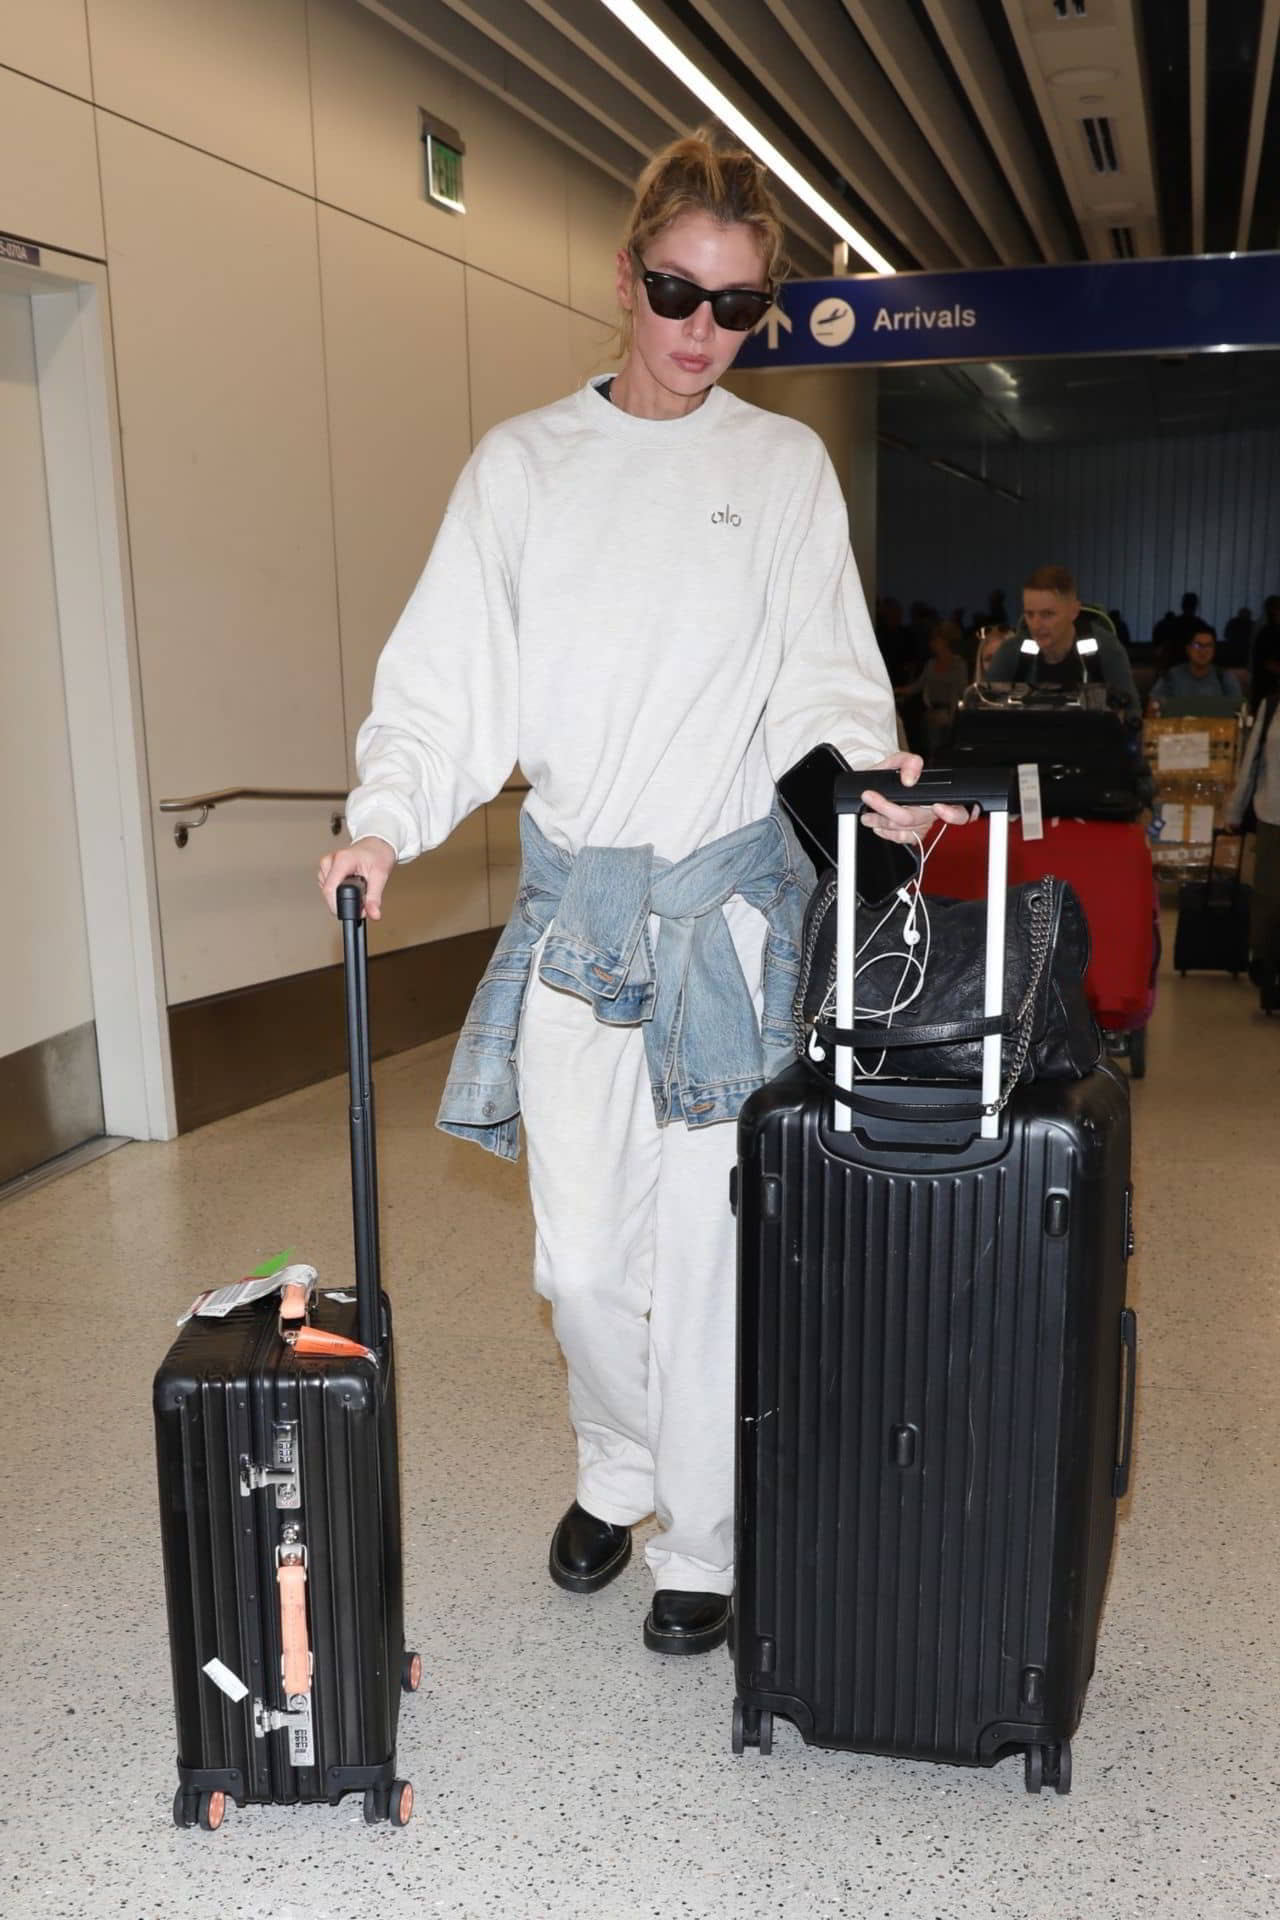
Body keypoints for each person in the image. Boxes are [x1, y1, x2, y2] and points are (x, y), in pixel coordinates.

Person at [316, 131, 967, 1658]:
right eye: (677, 292)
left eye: (737, 309)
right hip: (577, 929)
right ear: (626, 276)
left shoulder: (781, 468)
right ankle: (614, 1468)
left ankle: (700, 1538)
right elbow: (445, 682)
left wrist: (872, 788)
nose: (700, 331)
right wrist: (383, 818)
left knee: (707, 1247)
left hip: (729, 929)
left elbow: (821, 687)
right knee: (583, 1263)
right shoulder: (527, 468)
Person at [985, 564, 1142, 722]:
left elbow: (1132, 717)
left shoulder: (1105, 649)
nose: (1036, 624)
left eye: (1047, 614)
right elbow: (985, 714)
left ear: (1074, 611)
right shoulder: (1011, 653)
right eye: (1029, 614)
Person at [1225, 633, 1280, 998]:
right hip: (1272, 813)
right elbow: (1251, 763)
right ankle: (1265, 967)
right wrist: (1234, 809)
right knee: (1269, 899)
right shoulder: (1272, 705)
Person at [895, 619, 968, 748]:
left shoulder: (959, 665)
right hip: (931, 715)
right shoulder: (931, 664)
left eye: (935, 639)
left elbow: (962, 690)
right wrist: (895, 690)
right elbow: (918, 686)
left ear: (945, 641)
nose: (931, 643)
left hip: (951, 716)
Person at [1148, 625, 1242, 708]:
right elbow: (1152, 709)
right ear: (1188, 649)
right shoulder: (1171, 676)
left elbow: (1240, 710)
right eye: (1197, 645)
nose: (1203, 651)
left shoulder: (1224, 677)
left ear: (1214, 650)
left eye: (1208, 646)